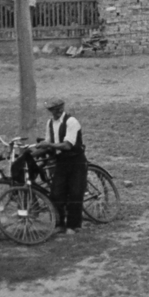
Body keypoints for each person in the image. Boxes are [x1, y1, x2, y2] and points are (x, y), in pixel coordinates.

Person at [40, 98, 87, 233]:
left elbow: (67, 145)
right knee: (56, 193)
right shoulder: (50, 123)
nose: (56, 111)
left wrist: (47, 145)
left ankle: (74, 225)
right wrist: (33, 150)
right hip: (61, 161)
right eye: (52, 109)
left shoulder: (71, 122)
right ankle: (59, 223)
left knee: (75, 193)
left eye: (58, 108)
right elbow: (49, 141)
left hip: (76, 161)